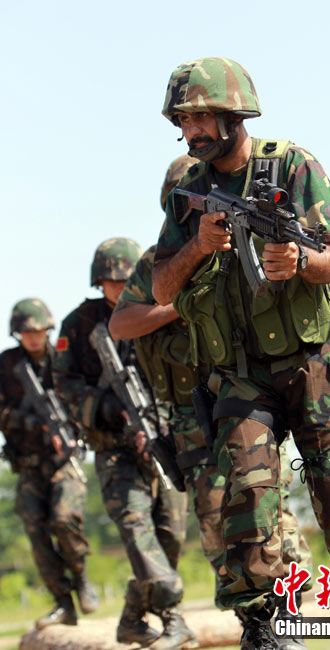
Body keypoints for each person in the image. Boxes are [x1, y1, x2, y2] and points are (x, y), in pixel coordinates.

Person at [152, 58, 330, 650]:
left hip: (315, 362)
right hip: (240, 373)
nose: (191, 130)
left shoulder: (294, 165)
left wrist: (300, 261)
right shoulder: (189, 193)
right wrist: (199, 247)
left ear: (234, 113)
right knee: (247, 496)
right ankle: (264, 626)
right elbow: (160, 288)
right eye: (183, 121)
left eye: (200, 117)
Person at [109, 157, 314, 650]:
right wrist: (177, 300)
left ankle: (287, 613)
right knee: (217, 517)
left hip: (250, 395)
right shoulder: (158, 261)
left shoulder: (247, 239)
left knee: (267, 504)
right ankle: (254, 622)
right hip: (193, 414)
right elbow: (121, 323)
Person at [52, 238, 195, 649]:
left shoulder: (157, 310)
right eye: (112, 280)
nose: (121, 285)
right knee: (136, 529)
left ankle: (133, 616)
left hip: (164, 438)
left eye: (126, 278)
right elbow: (63, 384)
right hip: (114, 449)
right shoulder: (78, 324)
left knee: (168, 537)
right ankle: (173, 617)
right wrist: (107, 407)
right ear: (99, 281)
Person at [0, 298, 98, 629]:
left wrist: (69, 428)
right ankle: (62, 602)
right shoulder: (7, 365)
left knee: (65, 519)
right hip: (28, 465)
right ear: (17, 333)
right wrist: (32, 423)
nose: (33, 337)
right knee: (37, 533)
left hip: (63, 461)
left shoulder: (63, 359)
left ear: (48, 330)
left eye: (39, 331)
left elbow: (83, 398)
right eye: (27, 332)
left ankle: (81, 577)